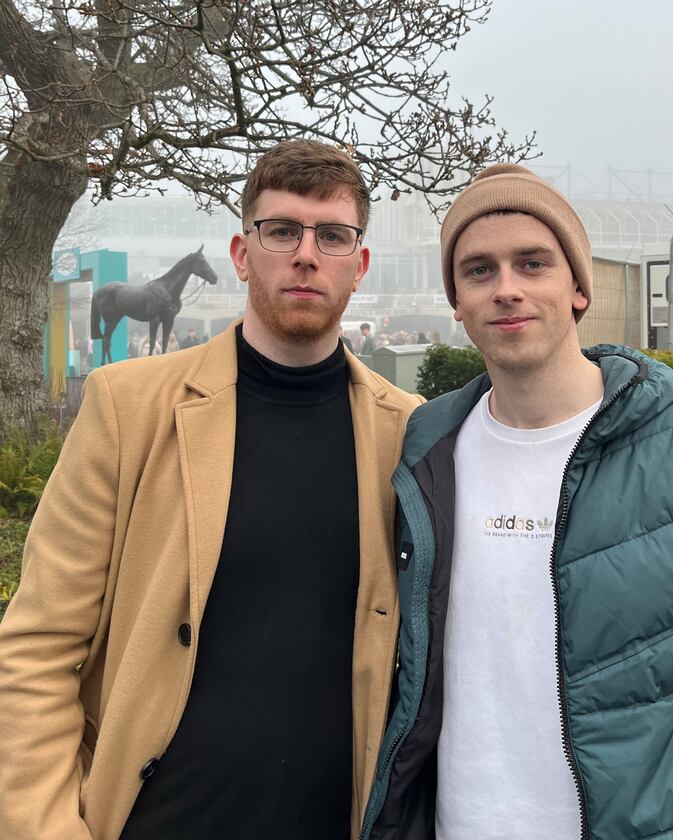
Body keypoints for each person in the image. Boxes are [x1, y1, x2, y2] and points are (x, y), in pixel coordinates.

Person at [360, 164, 673, 839]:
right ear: (457, 302)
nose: (506, 288)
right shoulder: (424, 452)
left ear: (578, 288)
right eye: (478, 271)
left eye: (532, 263)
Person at [0, 139, 423, 840]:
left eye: (332, 235)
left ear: (360, 263)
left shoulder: (409, 432)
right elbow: (38, 647)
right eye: (281, 230)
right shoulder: (128, 407)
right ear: (240, 253)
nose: (306, 254)